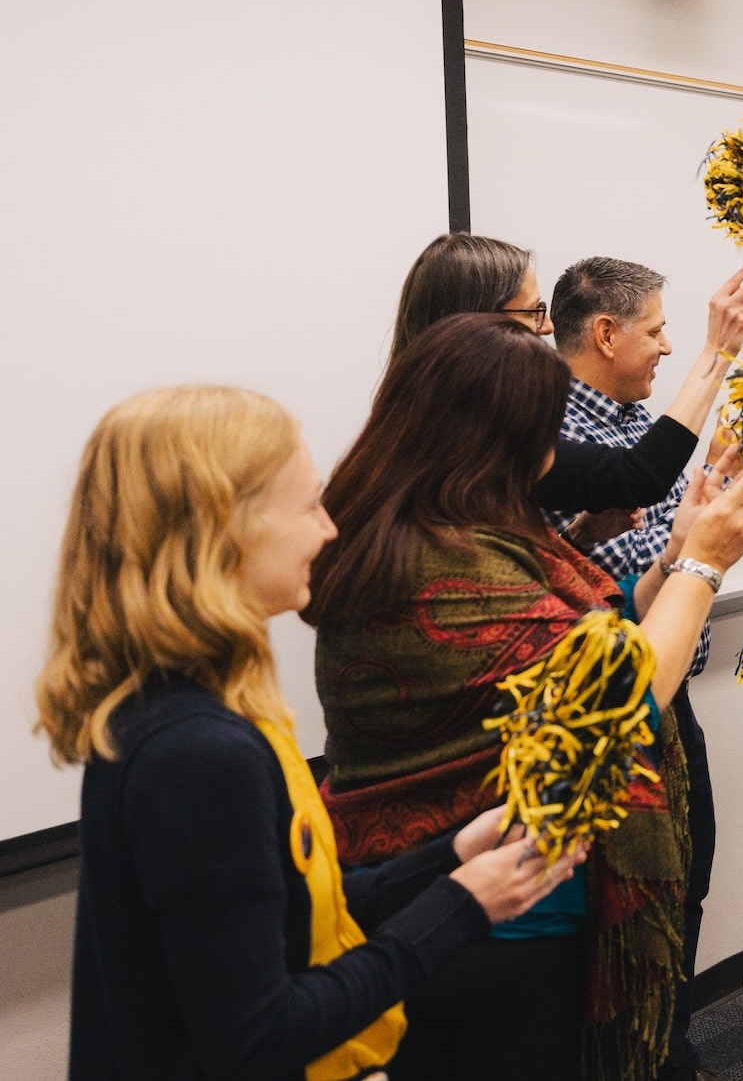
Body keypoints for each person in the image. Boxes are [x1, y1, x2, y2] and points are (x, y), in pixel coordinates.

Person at [38, 385, 577, 1081]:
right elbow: (258, 1037)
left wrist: (447, 856)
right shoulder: (197, 754)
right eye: (308, 505)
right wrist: (462, 904)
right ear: (224, 528)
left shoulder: (196, 709)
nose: (329, 529)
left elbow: (283, 918)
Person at [305, 314, 743, 1081]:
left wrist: (676, 551)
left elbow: (585, 634)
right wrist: (705, 567)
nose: (555, 455)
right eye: (542, 434)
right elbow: (620, 693)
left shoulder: (439, 525)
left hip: (466, 897)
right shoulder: (446, 563)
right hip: (488, 921)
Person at [549, 254, 726, 1081]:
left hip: (664, 687)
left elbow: (656, 524)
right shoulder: (555, 435)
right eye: (656, 330)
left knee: (684, 873)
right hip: (608, 699)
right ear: (609, 331)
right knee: (628, 898)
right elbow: (611, 580)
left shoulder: (631, 421)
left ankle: (668, 1047)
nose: (665, 346)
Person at [390, 231, 743, 517]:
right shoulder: (506, 442)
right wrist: (717, 351)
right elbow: (640, 479)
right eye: (534, 312)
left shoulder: (446, 435)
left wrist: (581, 538)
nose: (547, 328)